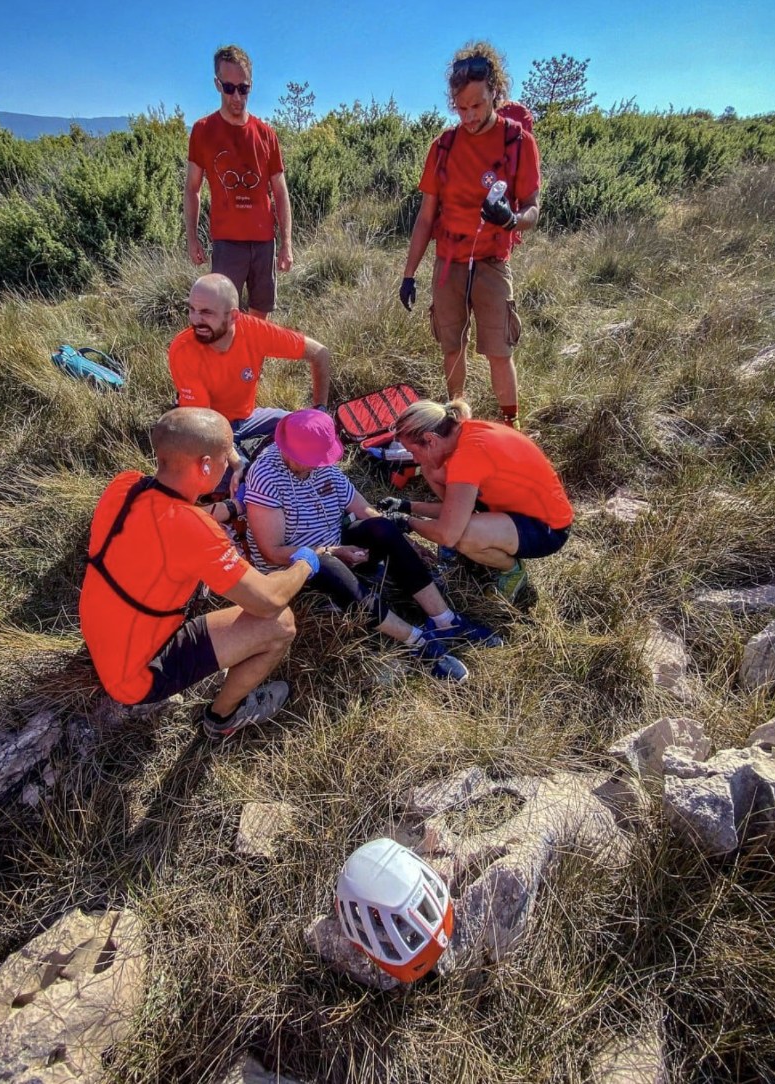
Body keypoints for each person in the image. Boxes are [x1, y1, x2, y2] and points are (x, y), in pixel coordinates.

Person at [79, 407, 320, 741]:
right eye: (227, 456)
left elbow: (169, 518)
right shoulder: (194, 531)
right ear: (205, 465)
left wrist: (235, 507)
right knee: (280, 624)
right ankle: (223, 718)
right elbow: (268, 601)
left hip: (101, 634)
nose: (230, 463)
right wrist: (306, 561)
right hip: (135, 675)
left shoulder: (125, 485)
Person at [243, 409, 505, 683]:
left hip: (336, 543)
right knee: (324, 564)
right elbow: (272, 551)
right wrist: (332, 552)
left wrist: (405, 543)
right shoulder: (267, 477)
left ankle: (445, 620)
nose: (319, 466)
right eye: (312, 461)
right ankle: (416, 642)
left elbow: (363, 509)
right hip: (297, 565)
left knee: (382, 526)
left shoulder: (320, 463)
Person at [399, 42, 541, 427]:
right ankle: (456, 420)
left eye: (477, 105)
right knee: (451, 347)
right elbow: (426, 218)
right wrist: (409, 274)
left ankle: (511, 425)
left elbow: (533, 207)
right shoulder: (443, 146)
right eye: (461, 108)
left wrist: (511, 219)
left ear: (494, 91)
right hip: (449, 262)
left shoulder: (517, 141)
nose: (469, 116)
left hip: (492, 261)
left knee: (499, 350)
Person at [380, 399, 572, 601]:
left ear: (430, 439)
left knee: (463, 536)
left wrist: (407, 522)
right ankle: (485, 534)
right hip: (515, 507)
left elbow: (448, 535)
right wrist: (407, 506)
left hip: (548, 529)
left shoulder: (468, 456)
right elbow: (454, 508)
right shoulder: (463, 433)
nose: (415, 459)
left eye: (413, 452)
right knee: (431, 469)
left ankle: (512, 571)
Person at [169, 273, 331, 493]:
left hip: (247, 418)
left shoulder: (254, 331)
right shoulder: (183, 350)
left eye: (206, 313)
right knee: (216, 477)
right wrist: (237, 462)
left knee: (298, 431)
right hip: (206, 428)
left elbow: (320, 353)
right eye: (192, 310)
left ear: (234, 315)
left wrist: (320, 411)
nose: (196, 320)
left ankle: (257, 466)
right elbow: (206, 426)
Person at [184, 44, 293, 318]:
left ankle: (252, 363)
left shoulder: (266, 134)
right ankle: (227, 363)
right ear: (217, 84)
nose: (236, 96)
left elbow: (280, 192)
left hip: (263, 242)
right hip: (226, 243)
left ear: (251, 86)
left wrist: (286, 244)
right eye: (229, 88)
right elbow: (192, 189)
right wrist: (192, 237)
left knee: (259, 318)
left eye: (243, 88)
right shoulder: (202, 131)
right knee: (220, 316)